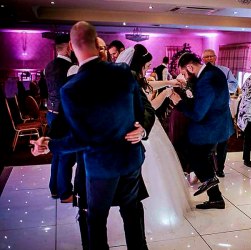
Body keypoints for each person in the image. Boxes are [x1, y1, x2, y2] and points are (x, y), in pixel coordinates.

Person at [31, 21, 154, 249]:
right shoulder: (122, 72)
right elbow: (137, 110)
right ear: (97, 46)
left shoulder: (72, 89)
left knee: (97, 221)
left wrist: (51, 146)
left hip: (101, 166)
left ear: (71, 46)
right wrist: (49, 138)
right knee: (130, 215)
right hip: (129, 160)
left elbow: (83, 138)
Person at [117, 44, 192, 235]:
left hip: (148, 128)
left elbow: (148, 86)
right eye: (146, 66)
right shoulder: (130, 78)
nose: (148, 70)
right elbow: (149, 105)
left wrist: (170, 83)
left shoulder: (131, 76)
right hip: (144, 129)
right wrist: (167, 92)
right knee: (154, 169)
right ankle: (158, 210)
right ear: (138, 65)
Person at [169, 52, 234, 209]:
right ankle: (215, 195)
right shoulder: (213, 71)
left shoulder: (206, 80)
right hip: (216, 124)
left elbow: (198, 114)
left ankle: (210, 181)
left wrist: (178, 103)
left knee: (186, 149)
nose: (185, 76)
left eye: (184, 73)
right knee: (197, 155)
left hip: (210, 127)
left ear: (190, 67)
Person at [44, 33, 76, 203]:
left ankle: (54, 188)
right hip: (64, 115)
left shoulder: (48, 66)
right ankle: (65, 193)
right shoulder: (71, 68)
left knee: (56, 153)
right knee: (65, 154)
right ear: (70, 46)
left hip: (51, 113)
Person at [202, 48, 238, 177]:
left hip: (222, 110)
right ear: (203, 59)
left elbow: (234, 86)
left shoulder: (225, 70)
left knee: (223, 141)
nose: (209, 58)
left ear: (216, 57)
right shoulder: (199, 73)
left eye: (211, 56)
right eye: (206, 57)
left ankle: (220, 168)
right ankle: (210, 168)